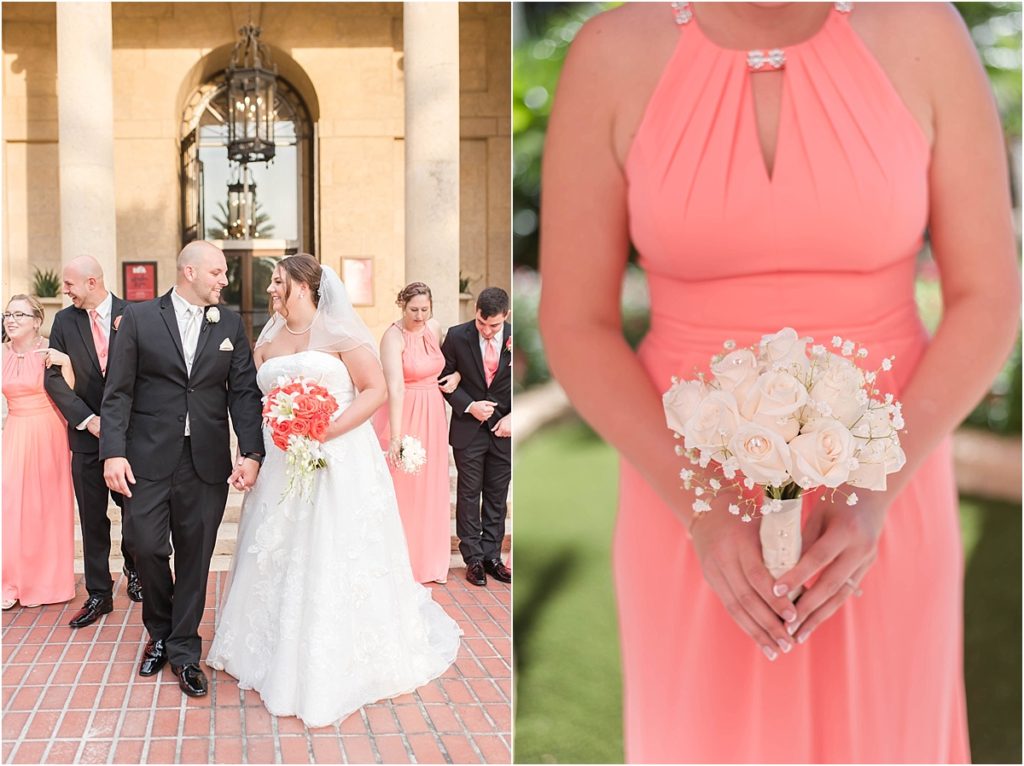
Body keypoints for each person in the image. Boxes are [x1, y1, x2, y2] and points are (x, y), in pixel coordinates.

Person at [538, 2, 1020, 763]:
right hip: (690, 493)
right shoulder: (612, 52)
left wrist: (873, 487)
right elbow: (574, 322)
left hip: (886, 491)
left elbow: (990, 295)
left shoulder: (923, 31)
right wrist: (705, 511)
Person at [207, 254, 461, 727]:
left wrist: (325, 429)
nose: (271, 291)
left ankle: (330, 653)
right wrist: (267, 443)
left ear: (304, 286)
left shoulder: (341, 333)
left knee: (329, 549)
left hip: (338, 458)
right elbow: (259, 397)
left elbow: (374, 390)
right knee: (279, 550)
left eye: (278, 282)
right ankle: (271, 648)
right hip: (283, 461)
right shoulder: (267, 338)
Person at [100, 240, 265, 699]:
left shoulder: (229, 323)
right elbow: (118, 392)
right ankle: (159, 629)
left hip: (206, 461)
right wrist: (113, 452)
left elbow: (243, 394)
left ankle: (184, 650)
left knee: (195, 556)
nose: (225, 281)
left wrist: (251, 453)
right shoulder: (138, 318)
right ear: (189, 271)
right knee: (146, 546)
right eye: (217, 272)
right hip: (146, 458)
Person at [44, 255, 143, 630]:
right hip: (86, 437)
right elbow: (53, 379)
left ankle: (135, 571)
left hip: (131, 438)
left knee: (135, 515)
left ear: (91, 281)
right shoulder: (64, 322)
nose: (64, 291)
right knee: (92, 519)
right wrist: (88, 420)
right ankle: (99, 594)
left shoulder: (134, 315)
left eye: (69, 284)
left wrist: (118, 424)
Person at [373, 282, 459, 584]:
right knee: (405, 487)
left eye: (425, 309)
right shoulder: (392, 337)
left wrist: (457, 375)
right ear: (402, 306)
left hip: (434, 411)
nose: (420, 316)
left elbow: (448, 362)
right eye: (414, 310)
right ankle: (402, 562)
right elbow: (394, 387)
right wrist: (396, 436)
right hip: (404, 411)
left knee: (431, 486)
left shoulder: (433, 327)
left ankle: (430, 561)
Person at [1, 295, 76, 609]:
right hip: (15, 431)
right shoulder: (2, 353)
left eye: (19, 314)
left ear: (36, 320)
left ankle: (46, 581)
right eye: (8, 314)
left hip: (48, 432)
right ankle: (12, 581)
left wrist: (67, 363)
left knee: (44, 508)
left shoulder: (49, 352)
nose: (11, 319)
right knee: (11, 507)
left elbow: (71, 394)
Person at [440, 287, 512, 587]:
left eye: (493, 326)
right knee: (469, 496)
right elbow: (442, 378)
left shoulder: (516, 336)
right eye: (482, 323)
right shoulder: (457, 336)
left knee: (496, 496)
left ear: (506, 316)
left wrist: (514, 417)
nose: (486, 330)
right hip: (468, 429)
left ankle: (492, 557)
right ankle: (473, 560)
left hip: (504, 431)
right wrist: (469, 406)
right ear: (476, 313)